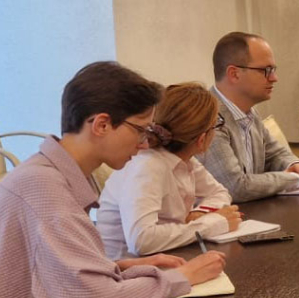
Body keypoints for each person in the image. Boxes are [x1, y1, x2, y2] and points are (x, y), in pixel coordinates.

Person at [0, 62, 226, 298]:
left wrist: (119, 267)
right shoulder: (44, 187)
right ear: (102, 124)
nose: (145, 143)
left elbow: (49, 271)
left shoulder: (49, 174)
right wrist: (183, 277)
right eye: (140, 130)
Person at [97, 83, 243, 259]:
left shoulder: (184, 160)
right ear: (202, 139)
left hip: (164, 257)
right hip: (125, 269)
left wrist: (199, 214)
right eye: (216, 125)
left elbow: (219, 192)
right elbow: (141, 241)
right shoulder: (148, 166)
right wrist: (212, 223)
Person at [199, 32, 299, 202]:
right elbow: (234, 187)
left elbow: (275, 154)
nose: (274, 78)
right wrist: (295, 179)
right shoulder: (208, 118)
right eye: (265, 70)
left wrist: (295, 165)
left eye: (273, 70)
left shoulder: (248, 111)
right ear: (234, 74)